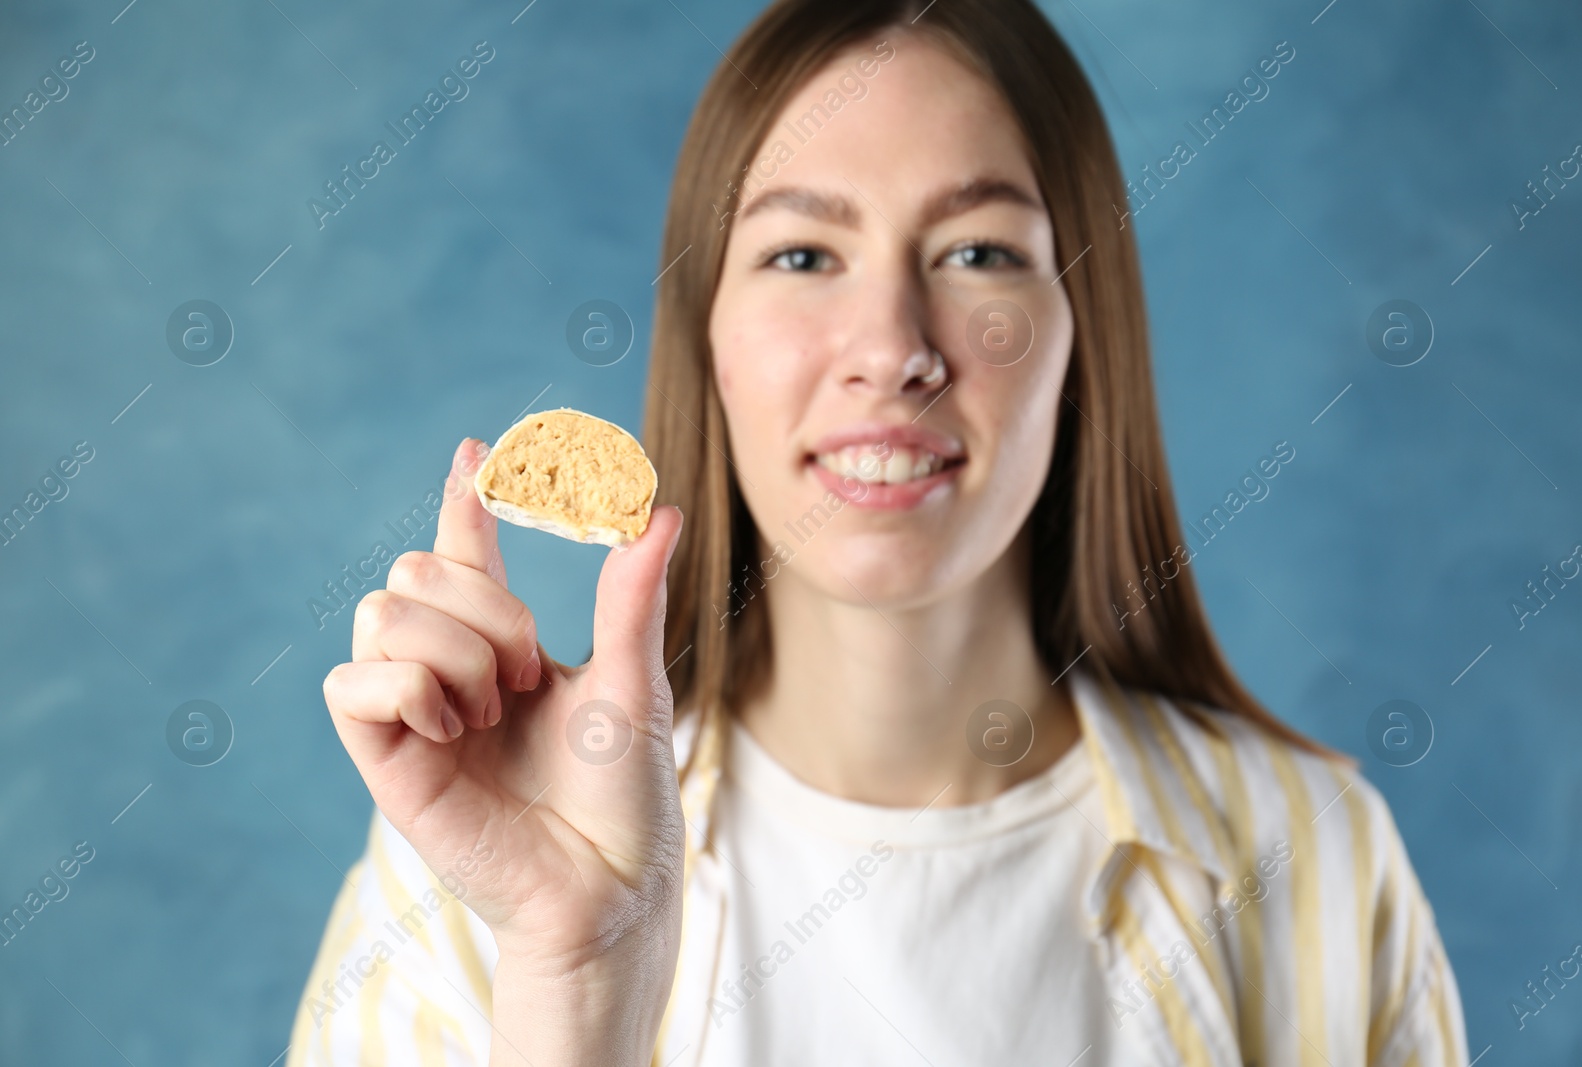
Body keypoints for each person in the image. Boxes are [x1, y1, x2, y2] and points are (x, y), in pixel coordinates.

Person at [287, 0, 1470, 1063]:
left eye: (978, 253)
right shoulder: (462, 875)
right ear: (710, 343)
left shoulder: (1313, 856)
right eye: (802, 253)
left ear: (1079, 335)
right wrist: (574, 979)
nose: (891, 345)